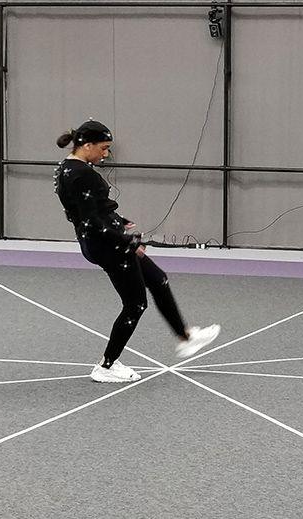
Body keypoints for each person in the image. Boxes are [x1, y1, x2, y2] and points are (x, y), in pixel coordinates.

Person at [54, 120, 220, 383]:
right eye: (104, 148)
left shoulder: (67, 168)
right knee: (135, 304)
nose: (106, 154)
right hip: (105, 245)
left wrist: (118, 220)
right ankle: (106, 365)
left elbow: (88, 210)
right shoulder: (80, 173)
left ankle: (186, 336)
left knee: (158, 279)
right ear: (87, 146)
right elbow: (89, 221)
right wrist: (126, 241)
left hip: (103, 240)